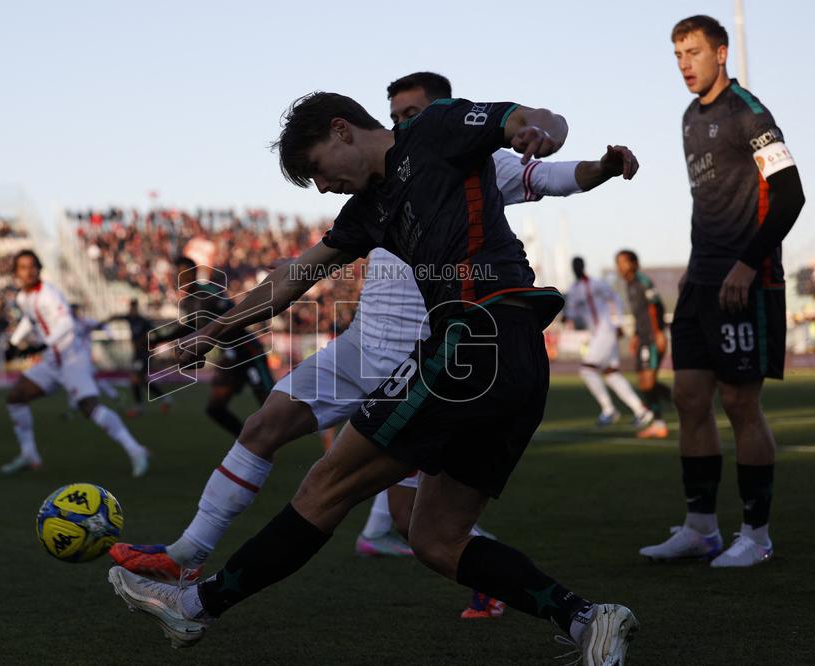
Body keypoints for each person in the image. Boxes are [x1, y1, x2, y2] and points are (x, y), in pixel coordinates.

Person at [107, 92, 639, 664]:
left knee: (326, 485)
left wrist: (545, 131)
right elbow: (289, 283)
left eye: (315, 169)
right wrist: (211, 332)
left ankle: (192, 608)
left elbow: (526, 118)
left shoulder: (433, 129)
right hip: (512, 360)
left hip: (472, 338)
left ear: (341, 131)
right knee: (435, 538)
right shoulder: (366, 210)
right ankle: (588, 620)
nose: (320, 186)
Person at [640, 16, 804, 567]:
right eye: (678, 54)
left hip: (746, 281)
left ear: (721, 52)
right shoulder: (689, 117)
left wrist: (745, 264)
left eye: (693, 52)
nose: (685, 63)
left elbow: (789, 195)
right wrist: (694, 266)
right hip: (701, 281)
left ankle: (756, 537)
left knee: (739, 402)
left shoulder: (748, 114)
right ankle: (701, 528)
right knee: (688, 398)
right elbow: (708, 205)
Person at [1, 250, 150, 477]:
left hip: (71, 358)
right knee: (15, 398)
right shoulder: (24, 297)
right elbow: (30, 320)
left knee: (89, 408)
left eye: (32, 266)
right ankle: (29, 454)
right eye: (22, 267)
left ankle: (136, 450)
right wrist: (13, 342)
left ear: (39, 269)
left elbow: (67, 324)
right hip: (53, 360)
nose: (28, 271)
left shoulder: (48, 294)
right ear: (15, 273)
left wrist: (42, 345)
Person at [151, 256, 275, 437]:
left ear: (193, 274)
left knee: (270, 405)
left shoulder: (208, 292)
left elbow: (233, 314)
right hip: (229, 355)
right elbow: (190, 326)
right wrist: (161, 338)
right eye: (177, 276)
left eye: (183, 275)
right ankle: (247, 444)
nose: (180, 280)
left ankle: (312, 424)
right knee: (215, 409)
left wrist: (209, 336)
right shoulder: (187, 302)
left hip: (247, 351)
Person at [564, 256, 654, 428]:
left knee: (587, 370)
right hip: (595, 334)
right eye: (574, 265)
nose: (576, 268)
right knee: (611, 374)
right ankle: (641, 410)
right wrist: (566, 317)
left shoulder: (597, 284)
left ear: (583, 266)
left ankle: (608, 410)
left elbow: (616, 299)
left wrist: (619, 322)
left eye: (578, 265)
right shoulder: (573, 290)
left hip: (605, 331)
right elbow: (572, 313)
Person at [615, 250, 671, 439]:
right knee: (645, 381)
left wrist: (659, 332)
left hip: (652, 338)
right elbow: (640, 315)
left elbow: (656, 306)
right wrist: (636, 336)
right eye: (617, 263)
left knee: (648, 381)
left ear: (633, 263)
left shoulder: (642, 281)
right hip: (643, 338)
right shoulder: (629, 285)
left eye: (622, 262)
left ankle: (660, 422)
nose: (619, 267)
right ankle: (679, 400)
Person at [105, 299, 172, 417]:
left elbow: (157, 333)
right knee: (141, 379)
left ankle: (139, 407)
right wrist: (103, 322)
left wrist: (152, 345)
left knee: (136, 378)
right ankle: (165, 399)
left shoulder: (143, 321)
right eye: (130, 308)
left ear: (136, 308)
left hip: (143, 354)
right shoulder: (130, 318)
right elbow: (117, 317)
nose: (131, 310)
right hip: (137, 354)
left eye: (133, 308)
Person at [62, 304, 120, 420]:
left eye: (74, 310)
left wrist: (109, 335)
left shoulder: (85, 322)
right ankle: (114, 394)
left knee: (81, 380)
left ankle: (74, 407)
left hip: (84, 357)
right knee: (81, 379)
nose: (73, 312)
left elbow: (102, 325)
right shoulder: (66, 324)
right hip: (72, 357)